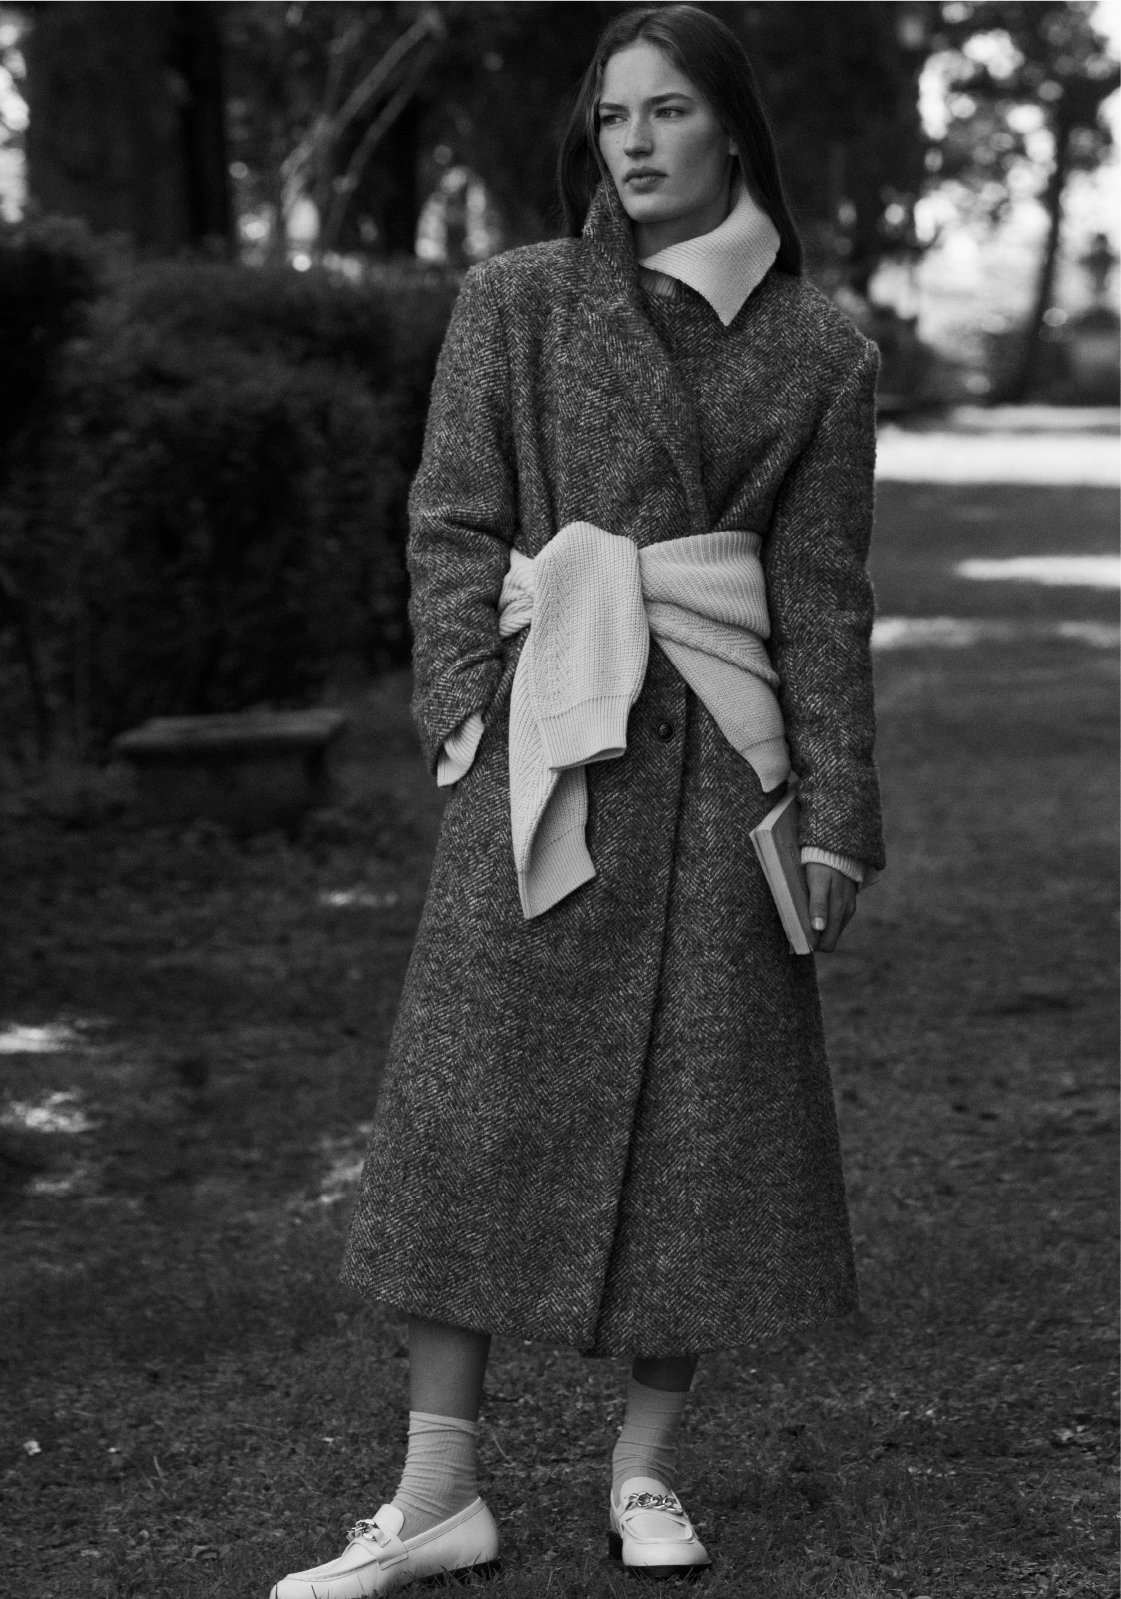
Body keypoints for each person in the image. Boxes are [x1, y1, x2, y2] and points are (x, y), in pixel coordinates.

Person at [269, 5, 884, 1594]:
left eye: (666, 109)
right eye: (612, 114)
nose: (633, 141)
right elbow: (451, 521)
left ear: (728, 126)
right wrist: (465, 712)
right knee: (465, 1106)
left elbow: (821, 595)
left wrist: (834, 814)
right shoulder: (519, 299)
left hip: (721, 753)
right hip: (548, 739)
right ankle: (433, 1494)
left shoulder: (821, 349)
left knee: (705, 1123)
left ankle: (643, 1470)